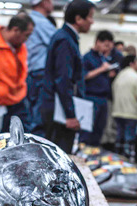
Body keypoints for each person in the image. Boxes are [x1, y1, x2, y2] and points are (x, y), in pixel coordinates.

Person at [40, 0, 95, 153]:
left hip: (60, 109)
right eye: (90, 17)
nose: (92, 21)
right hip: (59, 113)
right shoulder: (65, 40)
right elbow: (63, 80)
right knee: (59, 156)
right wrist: (70, 115)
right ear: (78, 19)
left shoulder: (67, 37)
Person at [25, 0, 56, 136]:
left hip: (28, 76)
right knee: (39, 122)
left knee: (28, 119)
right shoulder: (42, 23)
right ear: (43, 2)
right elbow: (59, 44)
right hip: (40, 77)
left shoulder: (27, 20)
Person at [81, 30, 115, 147]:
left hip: (103, 99)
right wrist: (101, 69)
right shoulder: (87, 57)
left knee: (99, 131)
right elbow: (84, 76)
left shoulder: (103, 58)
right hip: (91, 98)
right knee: (86, 132)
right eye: (105, 45)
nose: (106, 48)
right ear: (97, 42)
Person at [111, 54, 137, 157]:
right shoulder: (135, 77)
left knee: (119, 137)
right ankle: (127, 161)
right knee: (129, 139)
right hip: (131, 113)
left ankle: (117, 158)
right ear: (132, 63)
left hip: (117, 111)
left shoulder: (119, 76)